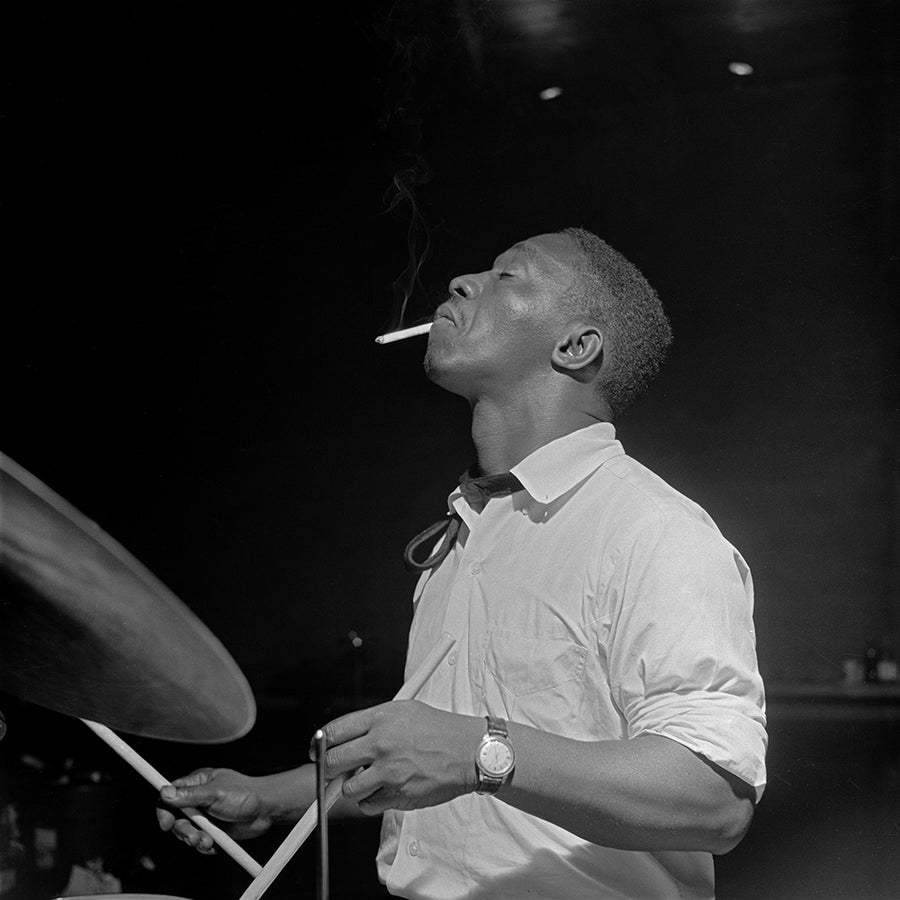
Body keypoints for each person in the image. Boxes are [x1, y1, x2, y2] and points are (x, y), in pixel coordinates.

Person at [157, 227, 766, 899]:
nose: (462, 282)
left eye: (511, 277)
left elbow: (714, 799)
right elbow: (431, 770)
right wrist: (269, 797)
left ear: (576, 345)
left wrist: (481, 751)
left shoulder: (654, 530)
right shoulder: (468, 531)